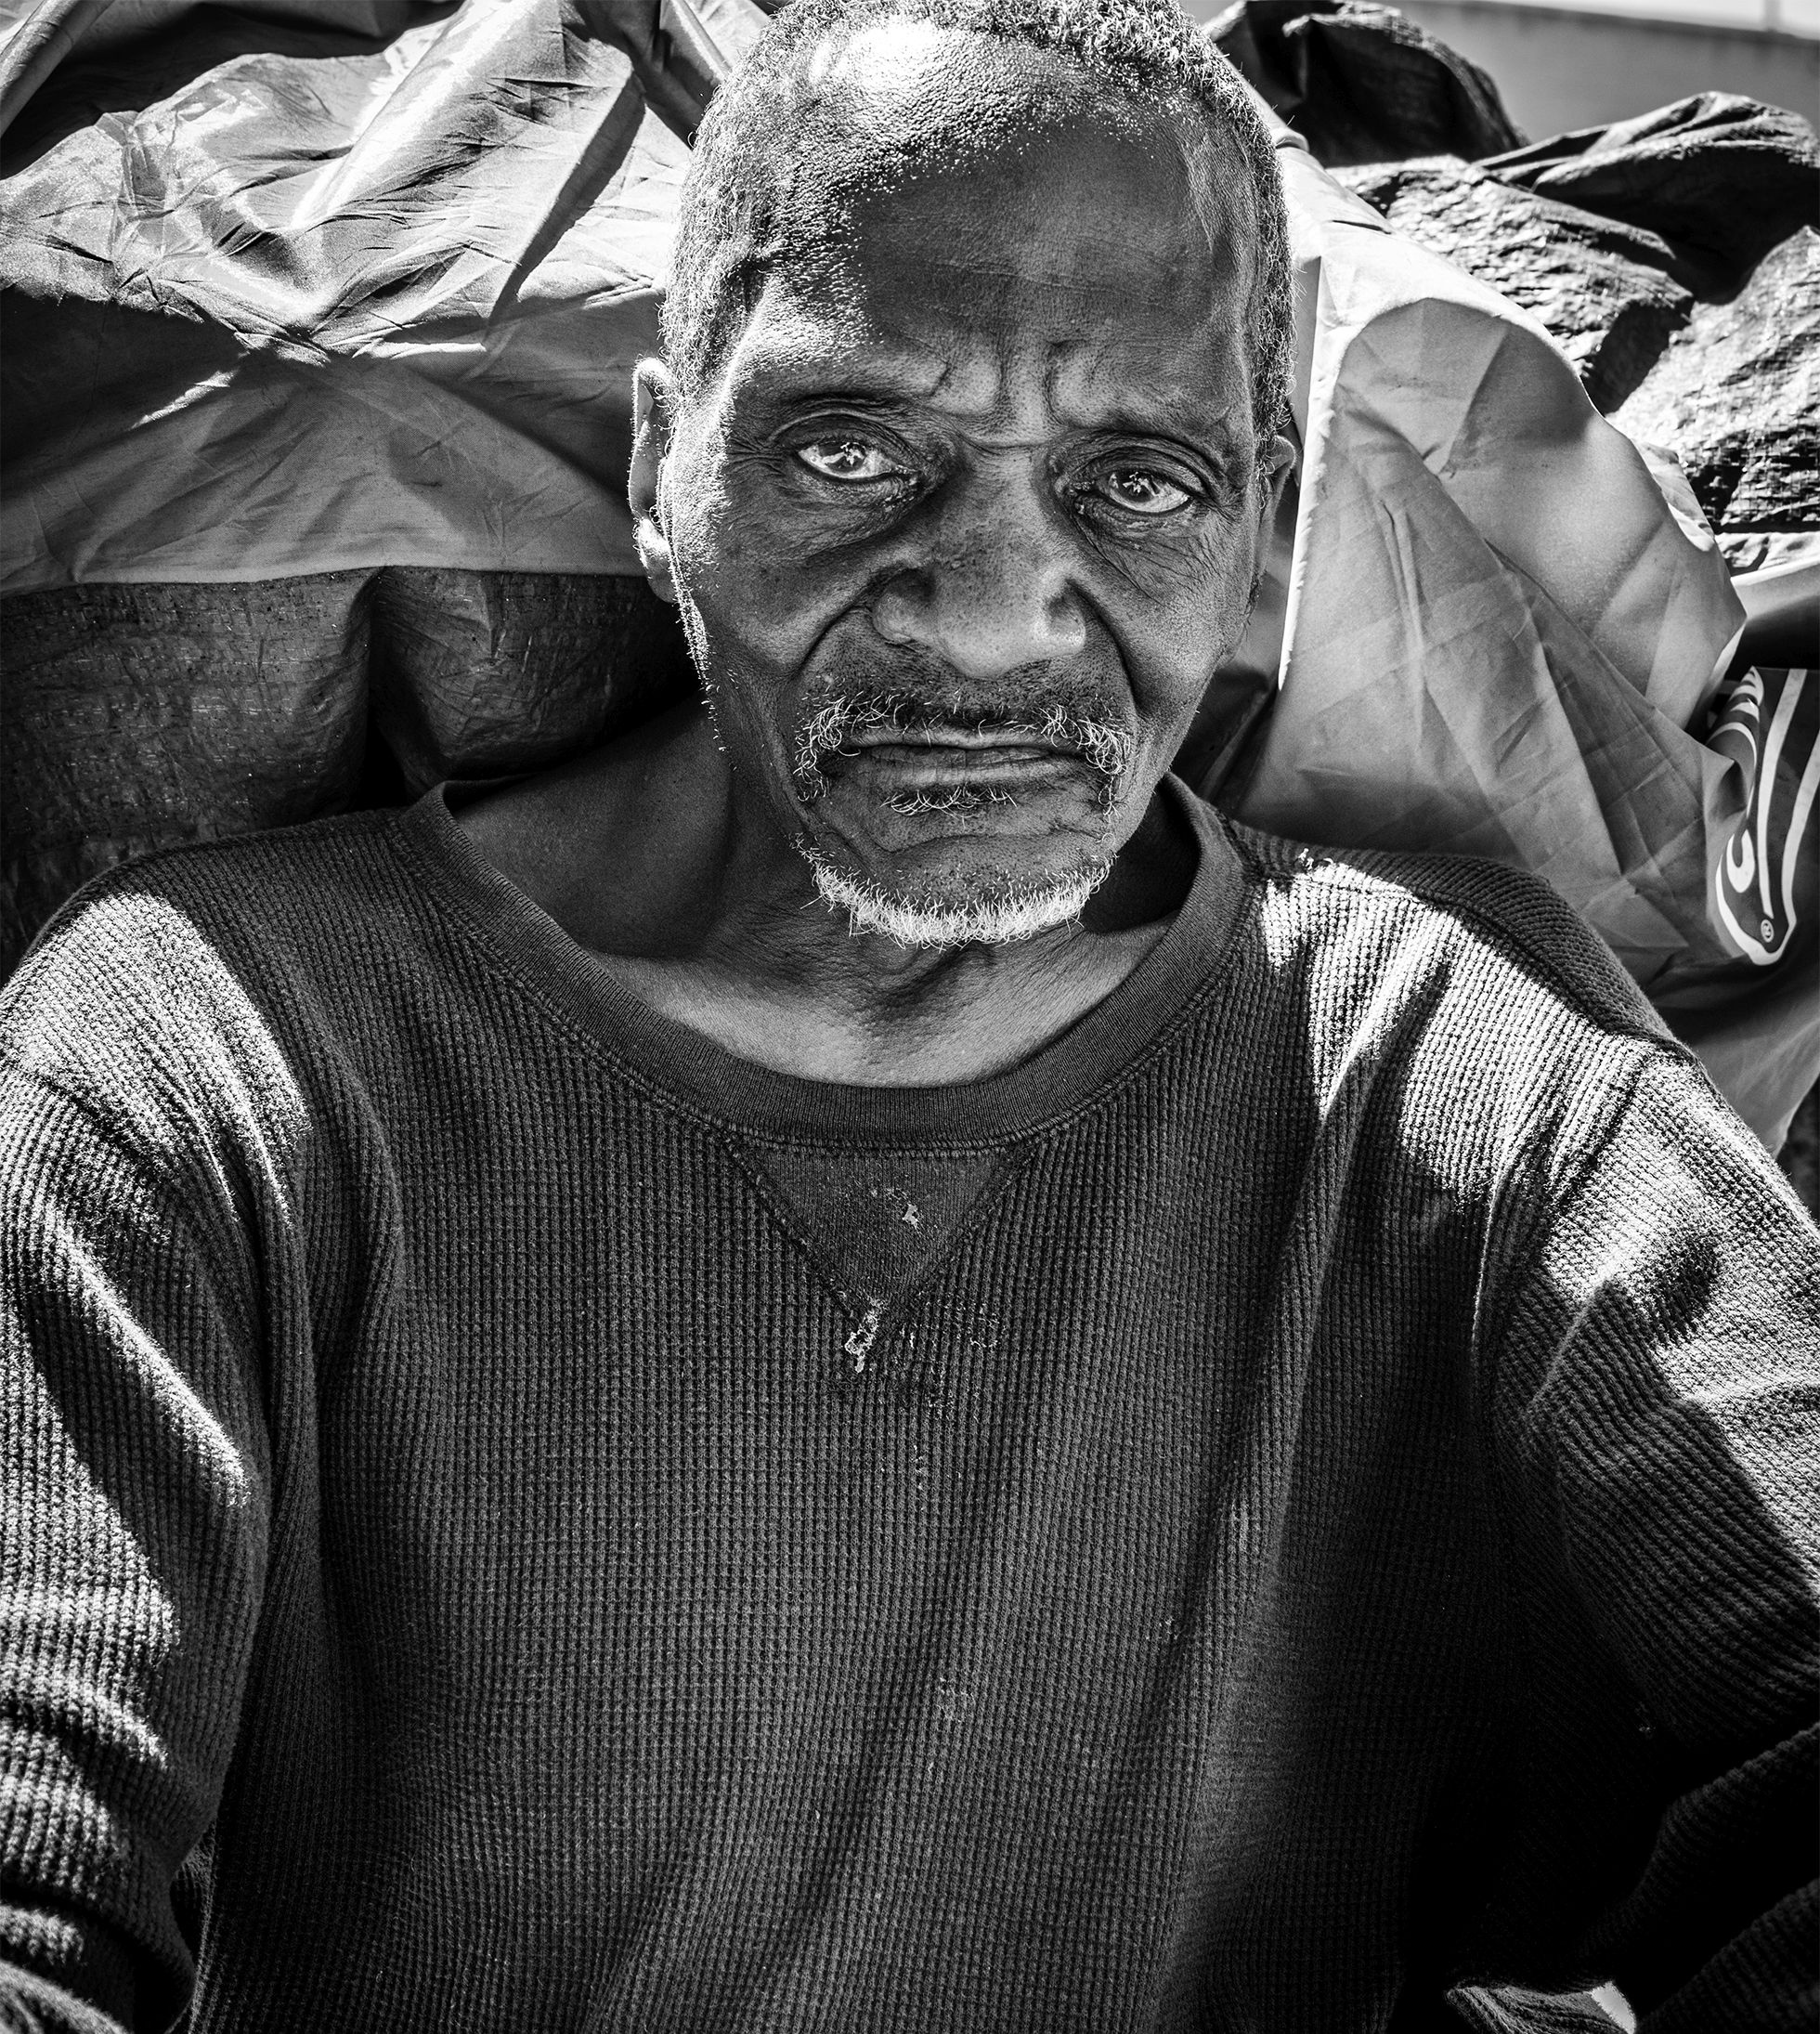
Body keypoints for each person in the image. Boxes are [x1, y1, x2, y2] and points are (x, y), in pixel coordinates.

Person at [0, 0, 1813, 2027]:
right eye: (850, 451)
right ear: (656, 462)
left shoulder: (1451, 1067)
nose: (983, 611)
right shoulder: (205, 1057)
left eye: (1132, 480)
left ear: (1261, 517)